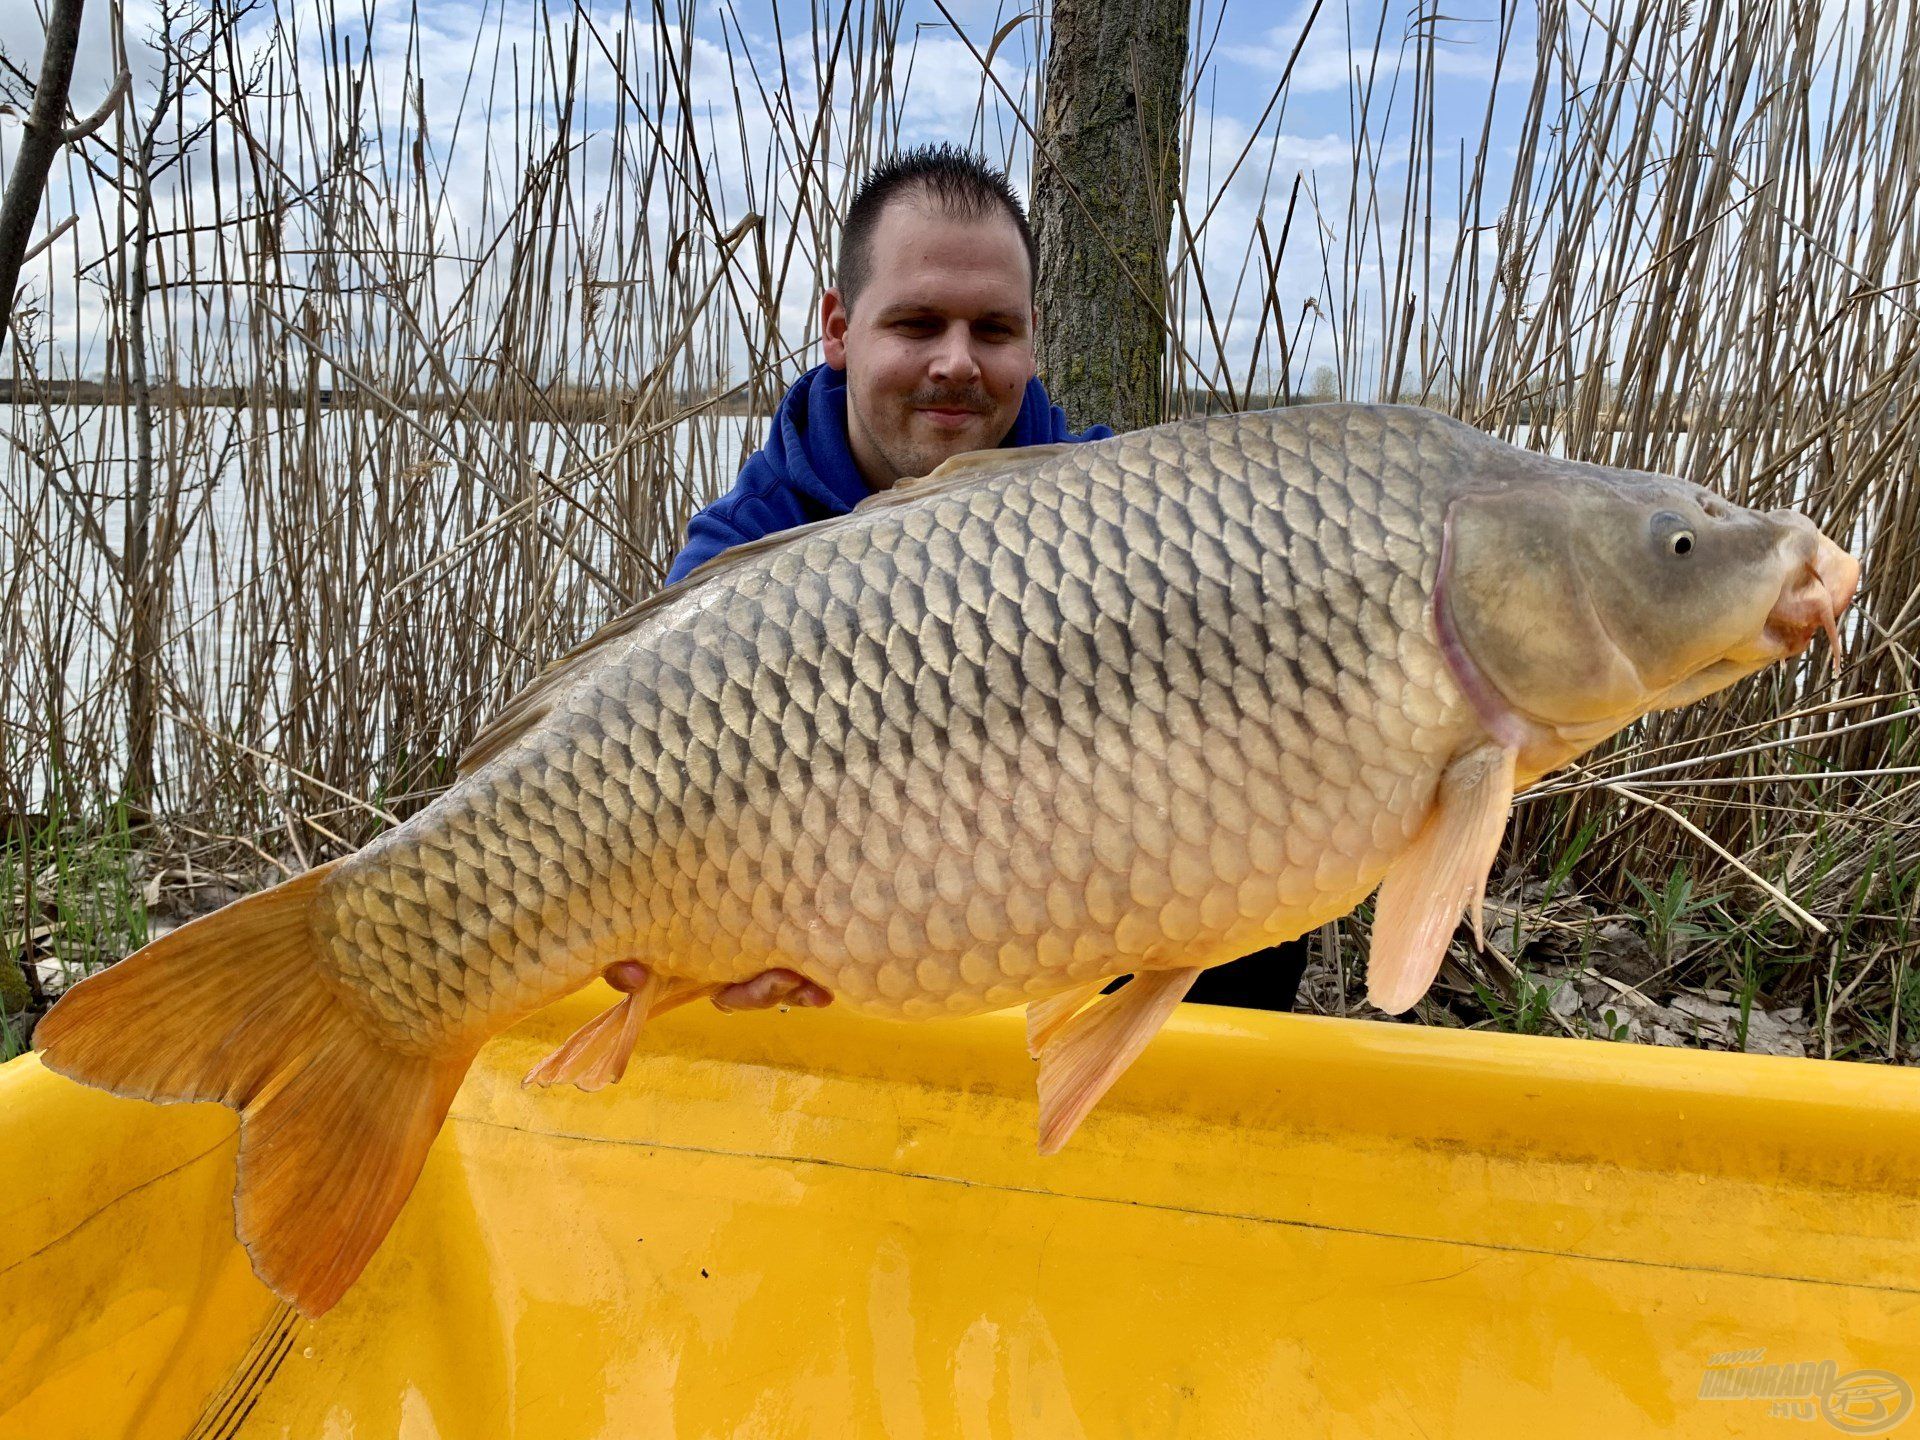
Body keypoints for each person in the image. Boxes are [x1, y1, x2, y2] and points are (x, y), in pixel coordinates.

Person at [665, 143, 1309, 1013]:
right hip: (843, 947)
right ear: (839, 329)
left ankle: (1170, 1125)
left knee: (1254, 863)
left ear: (1032, 340)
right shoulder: (739, 559)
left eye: (994, 330)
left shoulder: (1130, 519)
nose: (958, 363)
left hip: (1065, 915)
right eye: (919, 324)